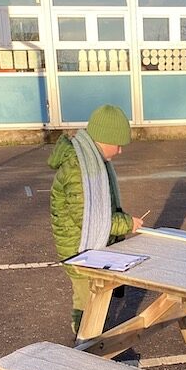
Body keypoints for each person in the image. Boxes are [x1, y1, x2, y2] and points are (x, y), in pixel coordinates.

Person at [47, 104, 143, 335]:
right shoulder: (79, 170)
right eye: (118, 145)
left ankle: (91, 334)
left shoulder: (92, 163)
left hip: (86, 244)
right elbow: (89, 217)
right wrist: (127, 223)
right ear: (103, 140)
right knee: (86, 299)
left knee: (96, 295)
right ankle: (84, 341)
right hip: (78, 249)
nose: (120, 151)